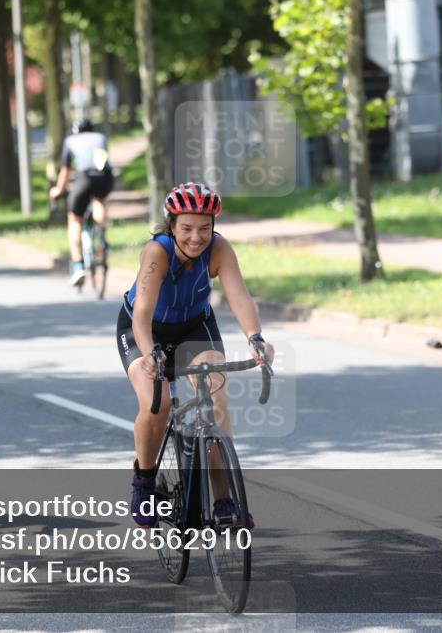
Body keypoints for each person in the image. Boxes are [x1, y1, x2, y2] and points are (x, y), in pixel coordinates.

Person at [116, 182, 274, 527]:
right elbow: (142, 311)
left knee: (215, 402)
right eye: (186, 228)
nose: (195, 237)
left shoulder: (218, 250)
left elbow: (239, 296)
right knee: (155, 404)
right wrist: (149, 353)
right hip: (144, 331)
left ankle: (223, 500)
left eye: (204, 228)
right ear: (171, 226)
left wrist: (256, 338)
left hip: (193, 327)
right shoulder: (157, 253)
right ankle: (144, 481)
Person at [49, 119, 114, 286]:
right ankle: (102, 236)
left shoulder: (70, 141)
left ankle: (78, 266)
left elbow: (65, 171)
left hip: (84, 178)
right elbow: (103, 160)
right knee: (100, 199)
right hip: (104, 177)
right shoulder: (101, 137)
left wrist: (58, 190)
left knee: (75, 219)